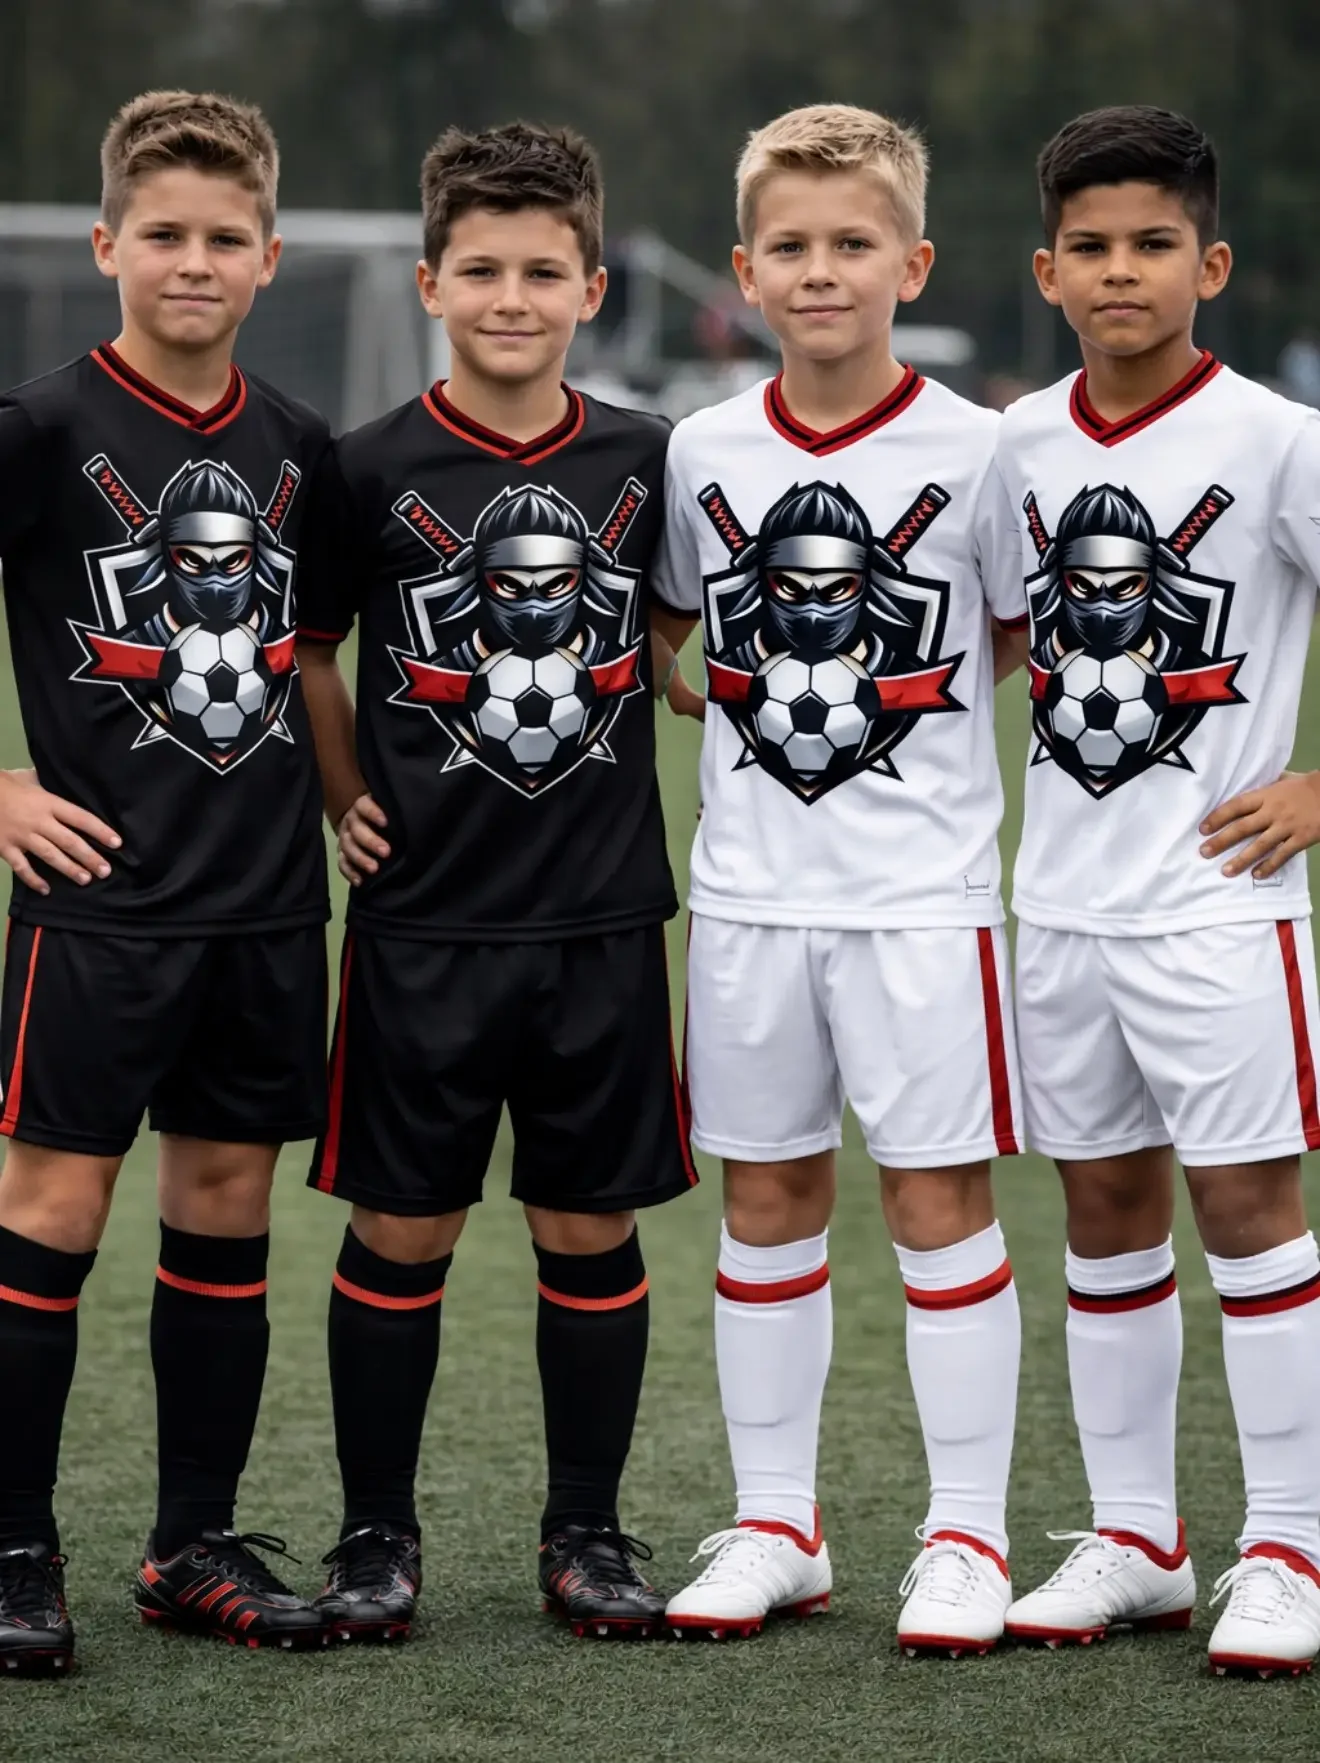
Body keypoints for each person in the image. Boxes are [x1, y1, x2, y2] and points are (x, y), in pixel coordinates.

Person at [295, 121, 696, 1645]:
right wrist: (344, 795)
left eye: (543, 270)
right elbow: (317, 655)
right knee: (404, 1229)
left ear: (592, 285)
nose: (512, 295)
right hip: (424, 924)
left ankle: (586, 1532)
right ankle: (375, 1539)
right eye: (482, 269)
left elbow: (670, 639)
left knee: (589, 1230)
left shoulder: (649, 457)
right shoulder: (370, 464)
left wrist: (692, 683)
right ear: (430, 281)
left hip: (599, 919)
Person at [653, 104, 1028, 1655]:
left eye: (853, 244)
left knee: (941, 1202)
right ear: (745, 270)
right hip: (747, 894)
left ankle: (968, 1535)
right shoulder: (701, 447)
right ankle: (776, 1523)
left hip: (925, 900)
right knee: (766, 1197)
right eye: (791, 248)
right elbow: (678, 627)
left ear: (912, 260)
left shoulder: (980, 448)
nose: (822, 272)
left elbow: (1011, 630)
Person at [0, 90, 332, 1674]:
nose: (193, 261)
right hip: (99, 909)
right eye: (165, 235)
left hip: (265, 909)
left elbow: (322, 658)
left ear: (268, 258)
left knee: (225, 1211)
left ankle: (189, 1542)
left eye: (224, 238)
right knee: (51, 1212)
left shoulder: (301, 448)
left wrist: (346, 800)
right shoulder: (42, 429)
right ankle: (13, 1551)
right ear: (108, 244)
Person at [994, 105, 1320, 1679]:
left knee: (1250, 1214)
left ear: (1213, 260)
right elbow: (989, 628)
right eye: (1094, 248)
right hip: (1056, 902)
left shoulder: (1276, 439)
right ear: (1047, 269)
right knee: (1105, 1211)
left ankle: (1291, 1545)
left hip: (1216, 906)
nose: (1123, 272)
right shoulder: (1018, 444)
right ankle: (1139, 1538)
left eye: (1154, 244)